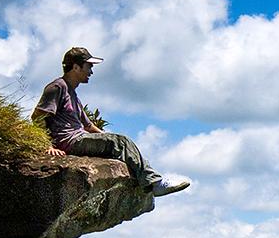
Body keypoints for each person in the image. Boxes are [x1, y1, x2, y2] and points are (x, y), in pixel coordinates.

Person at [32, 46, 189, 197]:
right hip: (70, 141)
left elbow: (89, 126)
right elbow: (38, 117)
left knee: (120, 142)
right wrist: (48, 146)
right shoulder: (57, 87)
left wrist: (108, 137)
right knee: (121, 142)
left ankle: (147, 181)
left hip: (78, 137)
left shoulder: (73, 94)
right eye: (88, 66)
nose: (91, 72)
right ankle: (155, 184)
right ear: (76, 67)